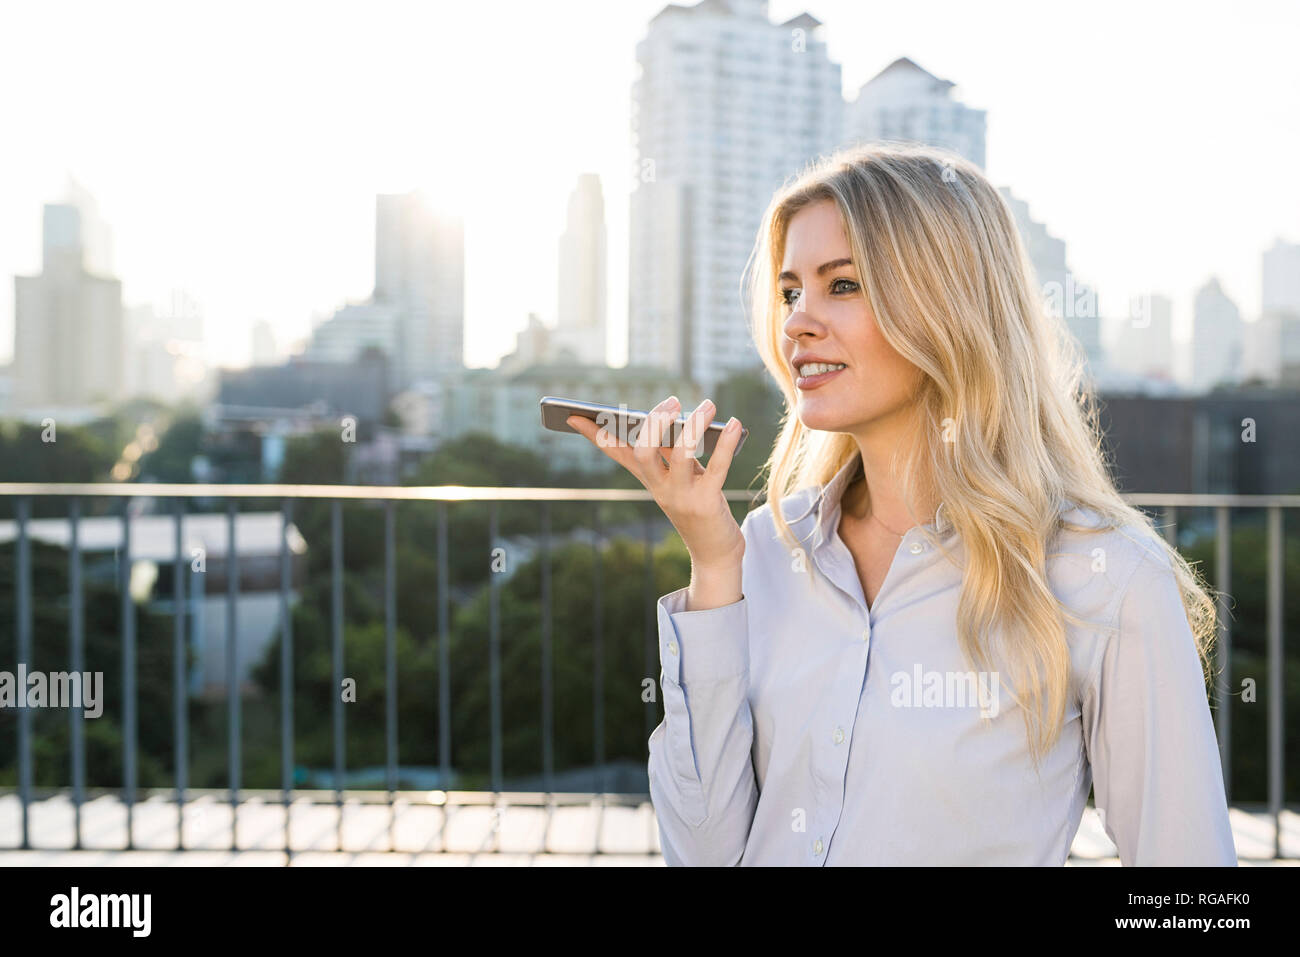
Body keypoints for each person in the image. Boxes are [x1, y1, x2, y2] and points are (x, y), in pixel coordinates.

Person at [567, 143, 1236, 866]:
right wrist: (713, 561)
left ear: (948, 304)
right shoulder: (761, 550)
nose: (797, 322)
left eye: (843, 285)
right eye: (791, 291)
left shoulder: (1103, 577)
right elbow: (704, 853)